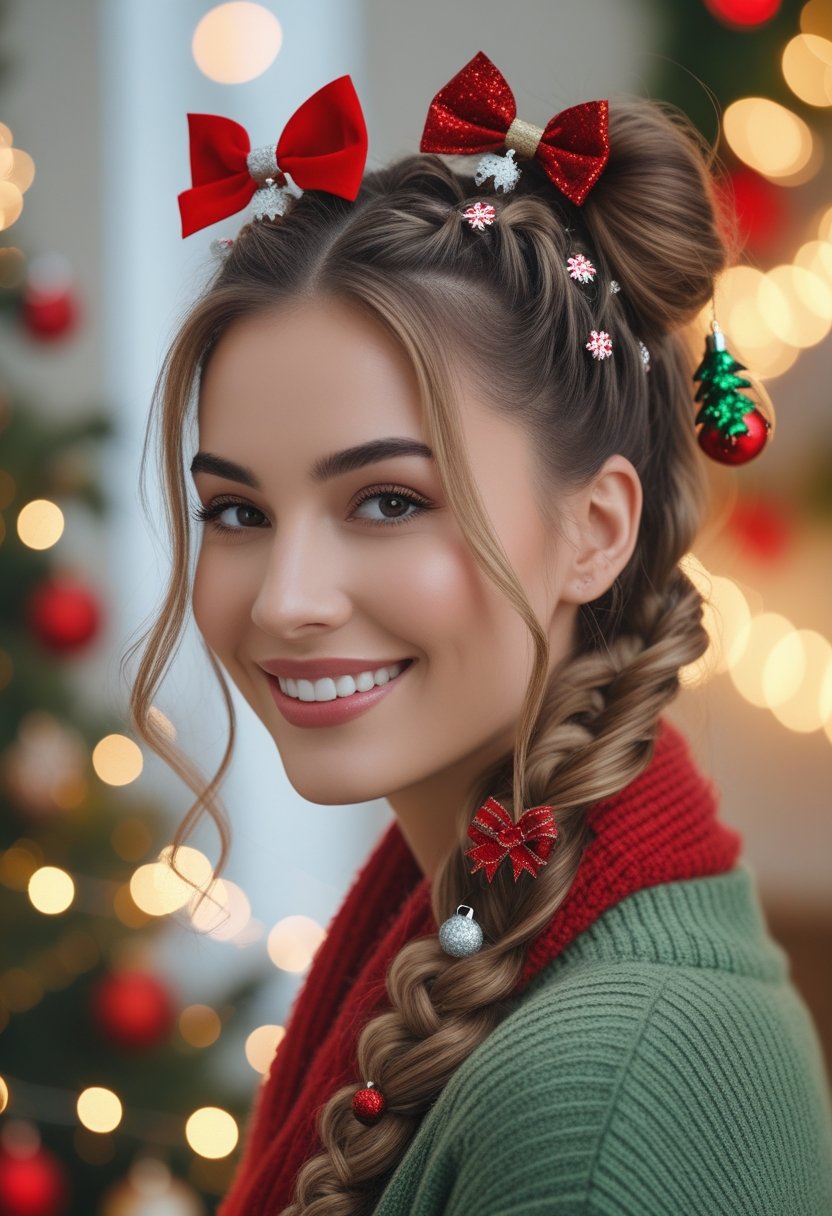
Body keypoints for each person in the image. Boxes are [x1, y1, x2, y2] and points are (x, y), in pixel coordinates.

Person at [129, 52, 832, 1216]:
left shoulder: (599, 1107)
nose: (285, 600)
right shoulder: (478, 928)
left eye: (387, 501)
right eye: (239, 512)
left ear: (595, 531)